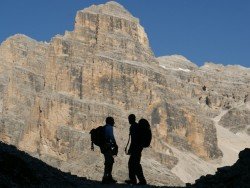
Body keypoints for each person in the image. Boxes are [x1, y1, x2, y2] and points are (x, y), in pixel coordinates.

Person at [125, 114, 147, 185]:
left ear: (131, 119)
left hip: (136, 149)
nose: (128, 120)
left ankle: (140, 180)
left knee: (134, 164)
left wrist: (130, 149)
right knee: (133, 164)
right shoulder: (137, 126)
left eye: (129, 119)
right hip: (138, 148)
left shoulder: (133, 127)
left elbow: (133, 140)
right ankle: (135, 180)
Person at [101, 116, 118, 184]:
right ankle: (106, 178)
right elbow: (111, 136)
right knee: (109, 162)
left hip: (104, 147)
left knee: (109, 161)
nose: (113, 122)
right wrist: (115, 144)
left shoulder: (104, 127)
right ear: (110, 122)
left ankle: (107, 177)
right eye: (112, 121)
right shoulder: (109, 127)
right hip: (108, 147)